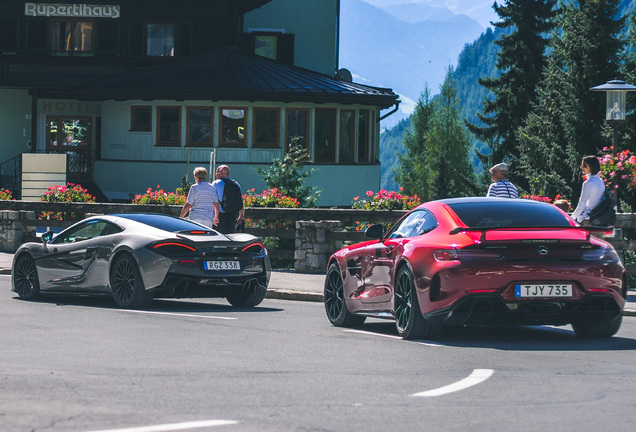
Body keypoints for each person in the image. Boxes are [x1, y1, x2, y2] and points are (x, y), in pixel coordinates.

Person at [571, 155, 605, 226]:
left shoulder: (588, 183)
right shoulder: (600, 181)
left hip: (588, 221)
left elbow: (582, 205)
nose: (581, 167)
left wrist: (571, 219)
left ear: (591, 167)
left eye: (584, 165)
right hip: (600, 219)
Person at [212, 164, 245, 234]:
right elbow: (240, 200)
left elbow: (213, 201)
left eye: (217, 171)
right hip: (232, 215)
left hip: (219, 216)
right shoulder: (236, 184)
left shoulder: (216, 183)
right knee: (229, 238)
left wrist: (215, 216)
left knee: (218, 238)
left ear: (222, 173)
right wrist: (241, 216)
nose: (216, 173)